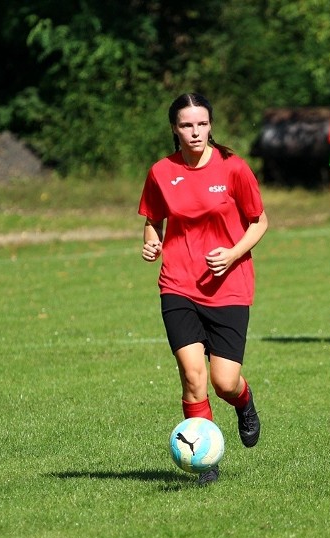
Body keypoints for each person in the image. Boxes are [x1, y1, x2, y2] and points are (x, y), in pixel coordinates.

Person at [138, 93, 268, 485]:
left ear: (210, 126)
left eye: (201, 124)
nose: (195, 132)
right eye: (186, 125)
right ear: (174, 130)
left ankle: (244, 403)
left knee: (224, 381)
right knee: (193, 375)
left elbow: (259, 222)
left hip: (228, 286)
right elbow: (152, 219)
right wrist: (151, 241)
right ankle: (205, 461)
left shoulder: (233, 168)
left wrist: (231, 255)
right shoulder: (161, 171)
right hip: (177, 283)